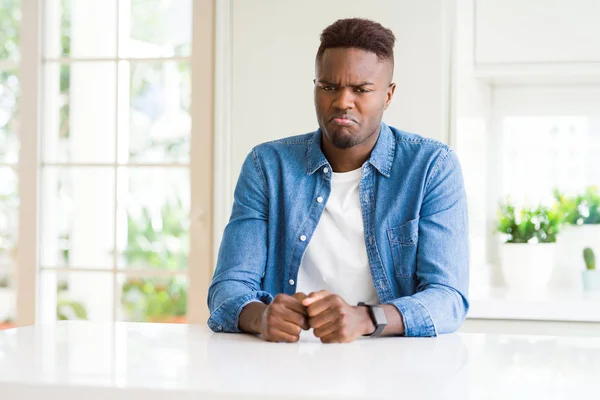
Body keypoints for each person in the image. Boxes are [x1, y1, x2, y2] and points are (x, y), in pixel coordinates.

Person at [207, 18, 469, 343]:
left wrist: (365, 318)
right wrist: (261, 317)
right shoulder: (267, 166)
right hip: (281, 361)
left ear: (388, 95)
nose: (342, 101)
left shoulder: (431, 167)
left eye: (361, 89)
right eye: (329, 86)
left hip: (391, 365)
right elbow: (228, 287)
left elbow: (448, 297)